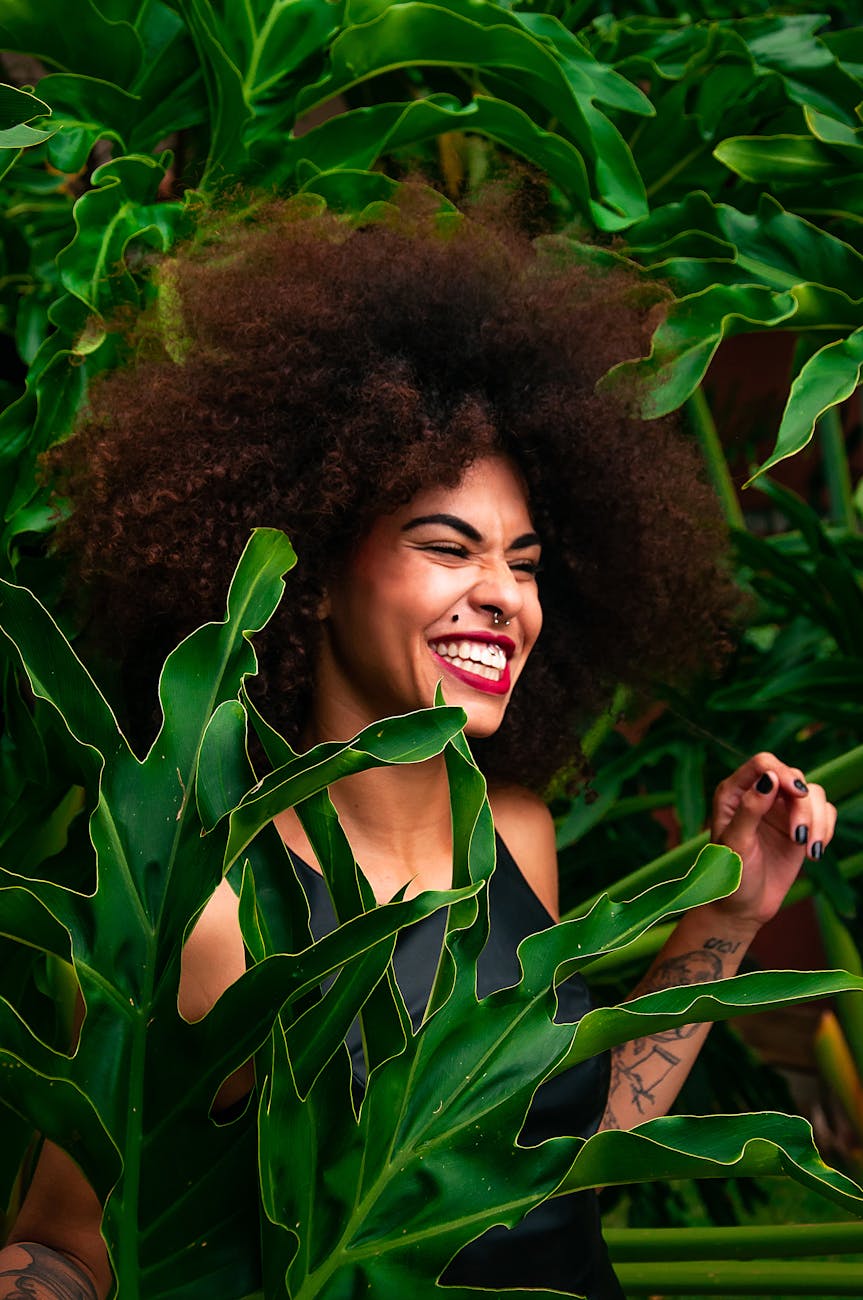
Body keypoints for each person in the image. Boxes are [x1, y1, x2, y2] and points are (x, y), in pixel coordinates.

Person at [0, 201, 837, 1299]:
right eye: (446, 546)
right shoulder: (208, 920)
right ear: (310, 575)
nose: (500, 595)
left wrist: (725, 919)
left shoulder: (515, 837)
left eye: (525, 563)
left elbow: (551, 1166)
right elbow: (68, 1246)